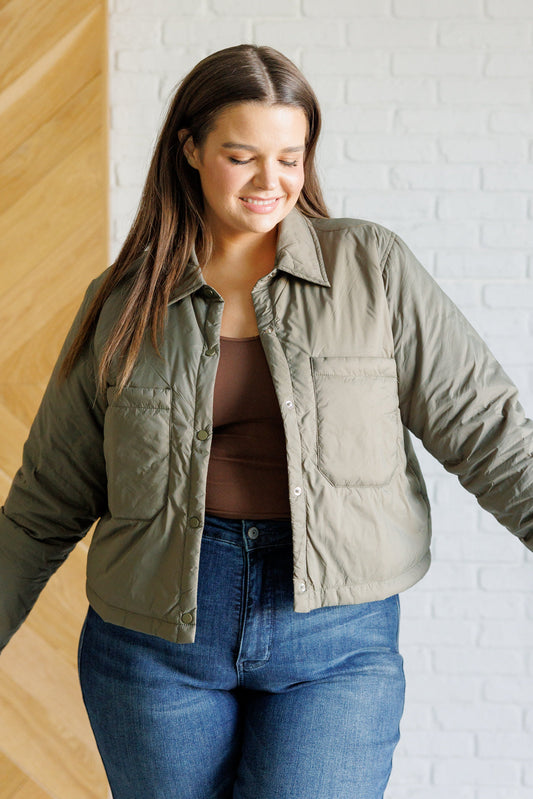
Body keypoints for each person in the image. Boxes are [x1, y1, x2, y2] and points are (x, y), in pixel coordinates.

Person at [1, 43, 532, 799]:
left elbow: (489, 432)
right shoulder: (122, 301)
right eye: (241, 156)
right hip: (153, 644)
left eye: (290, 157)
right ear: (189, 149)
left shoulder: (372, 269)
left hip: (334, 641)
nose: (270, 181)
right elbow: (45, 502)